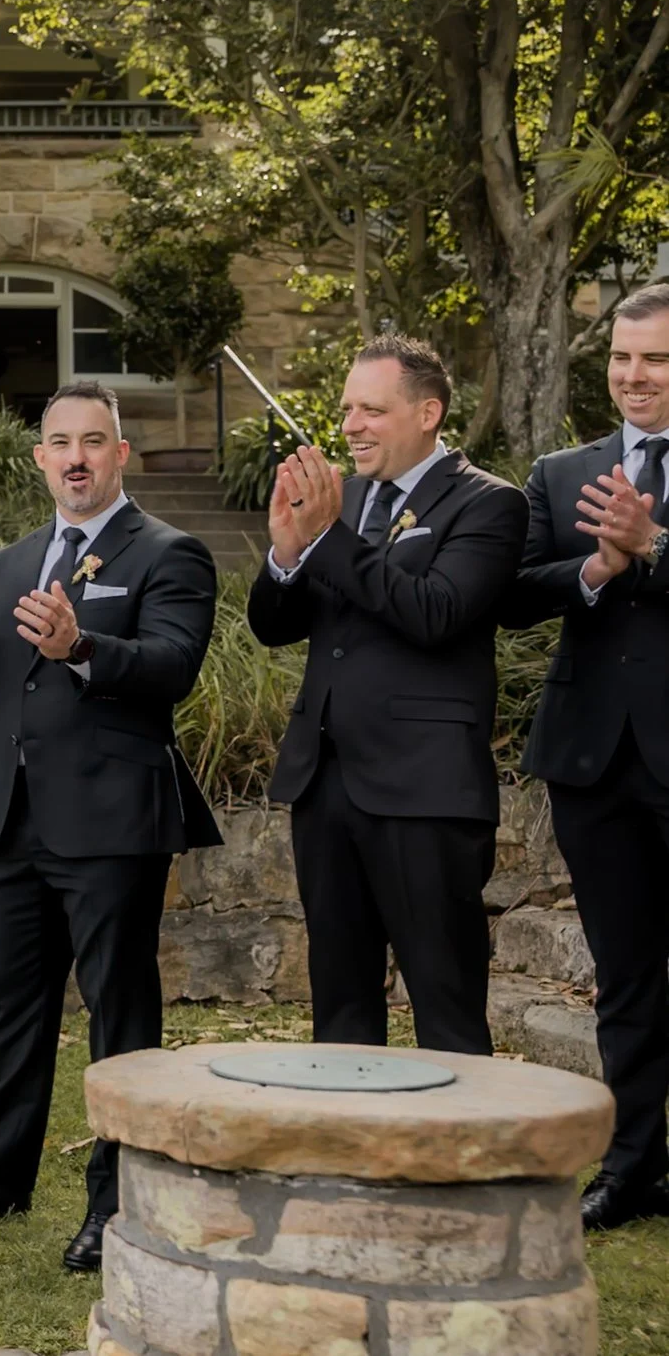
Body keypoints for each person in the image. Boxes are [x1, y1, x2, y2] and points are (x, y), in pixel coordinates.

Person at [0, 381, 221, 1273]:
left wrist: (82, 646)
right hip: (15, 821)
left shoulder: (170, 553)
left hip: (114, 822)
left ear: (121, 454)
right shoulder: (12, 560)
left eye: (93, 440)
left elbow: (171, 667)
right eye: (59, 441)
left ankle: (119, 1196)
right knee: (16, 1013)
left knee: (120, 1017)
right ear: (39, 457)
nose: (75, 456)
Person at [248, 334, 528, 1056]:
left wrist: (329, 536)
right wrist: (287, 551)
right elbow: (273, 626)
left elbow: (435, 613)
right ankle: (352, 1167)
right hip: (326, 782)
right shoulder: (347, 500)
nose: (350, 425)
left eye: (372, 409)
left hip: (424, 789)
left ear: (428, 411)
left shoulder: (490, 504)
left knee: (447, 1006)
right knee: (339, 1007)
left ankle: (466, 1166)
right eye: (347, 408)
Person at [502, 280, 669, 1231]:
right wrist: (598, 568)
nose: (633, 375)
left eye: (653, 358)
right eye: (620, 357)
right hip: (593, 760)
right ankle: (636, 1164)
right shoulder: (563, 470)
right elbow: (520, 592)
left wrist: (653, 543)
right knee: (626, 971)